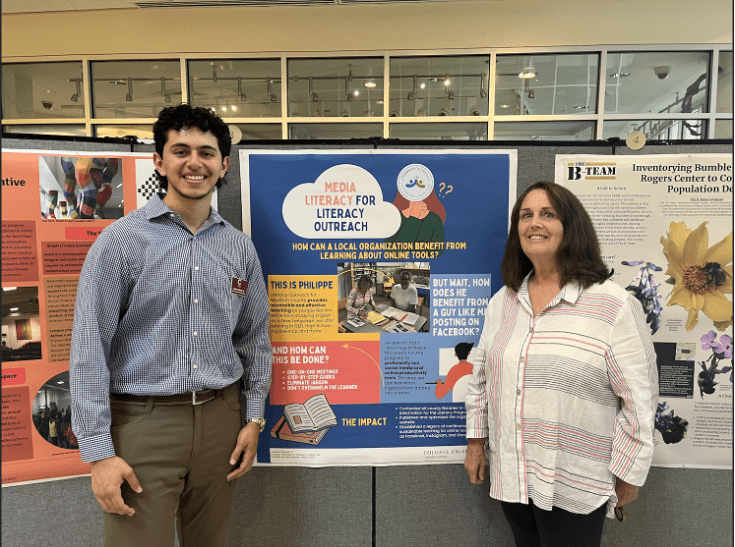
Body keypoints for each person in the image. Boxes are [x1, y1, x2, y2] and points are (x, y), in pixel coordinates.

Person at [70, 103, 272, 547]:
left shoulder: (240, 249)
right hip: (143, 424)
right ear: (159, 161)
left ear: (224, 164)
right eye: (180, 150)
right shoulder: (121, 242)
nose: (193, 162)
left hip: (222, 421)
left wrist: (253, 418)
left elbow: (255, 341)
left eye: (206, 151)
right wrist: (99, 454)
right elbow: (88, 351)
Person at [464, 181, 658, 547]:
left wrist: (629, 472)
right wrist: (476, 442)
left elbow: (640, 399)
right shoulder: (502, 302)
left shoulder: (612, 304)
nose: (534, 223)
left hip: (577, 480)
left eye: (547, 214)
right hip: (513, 475)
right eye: (526, 216)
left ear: (571, 226)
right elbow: (480, 378)